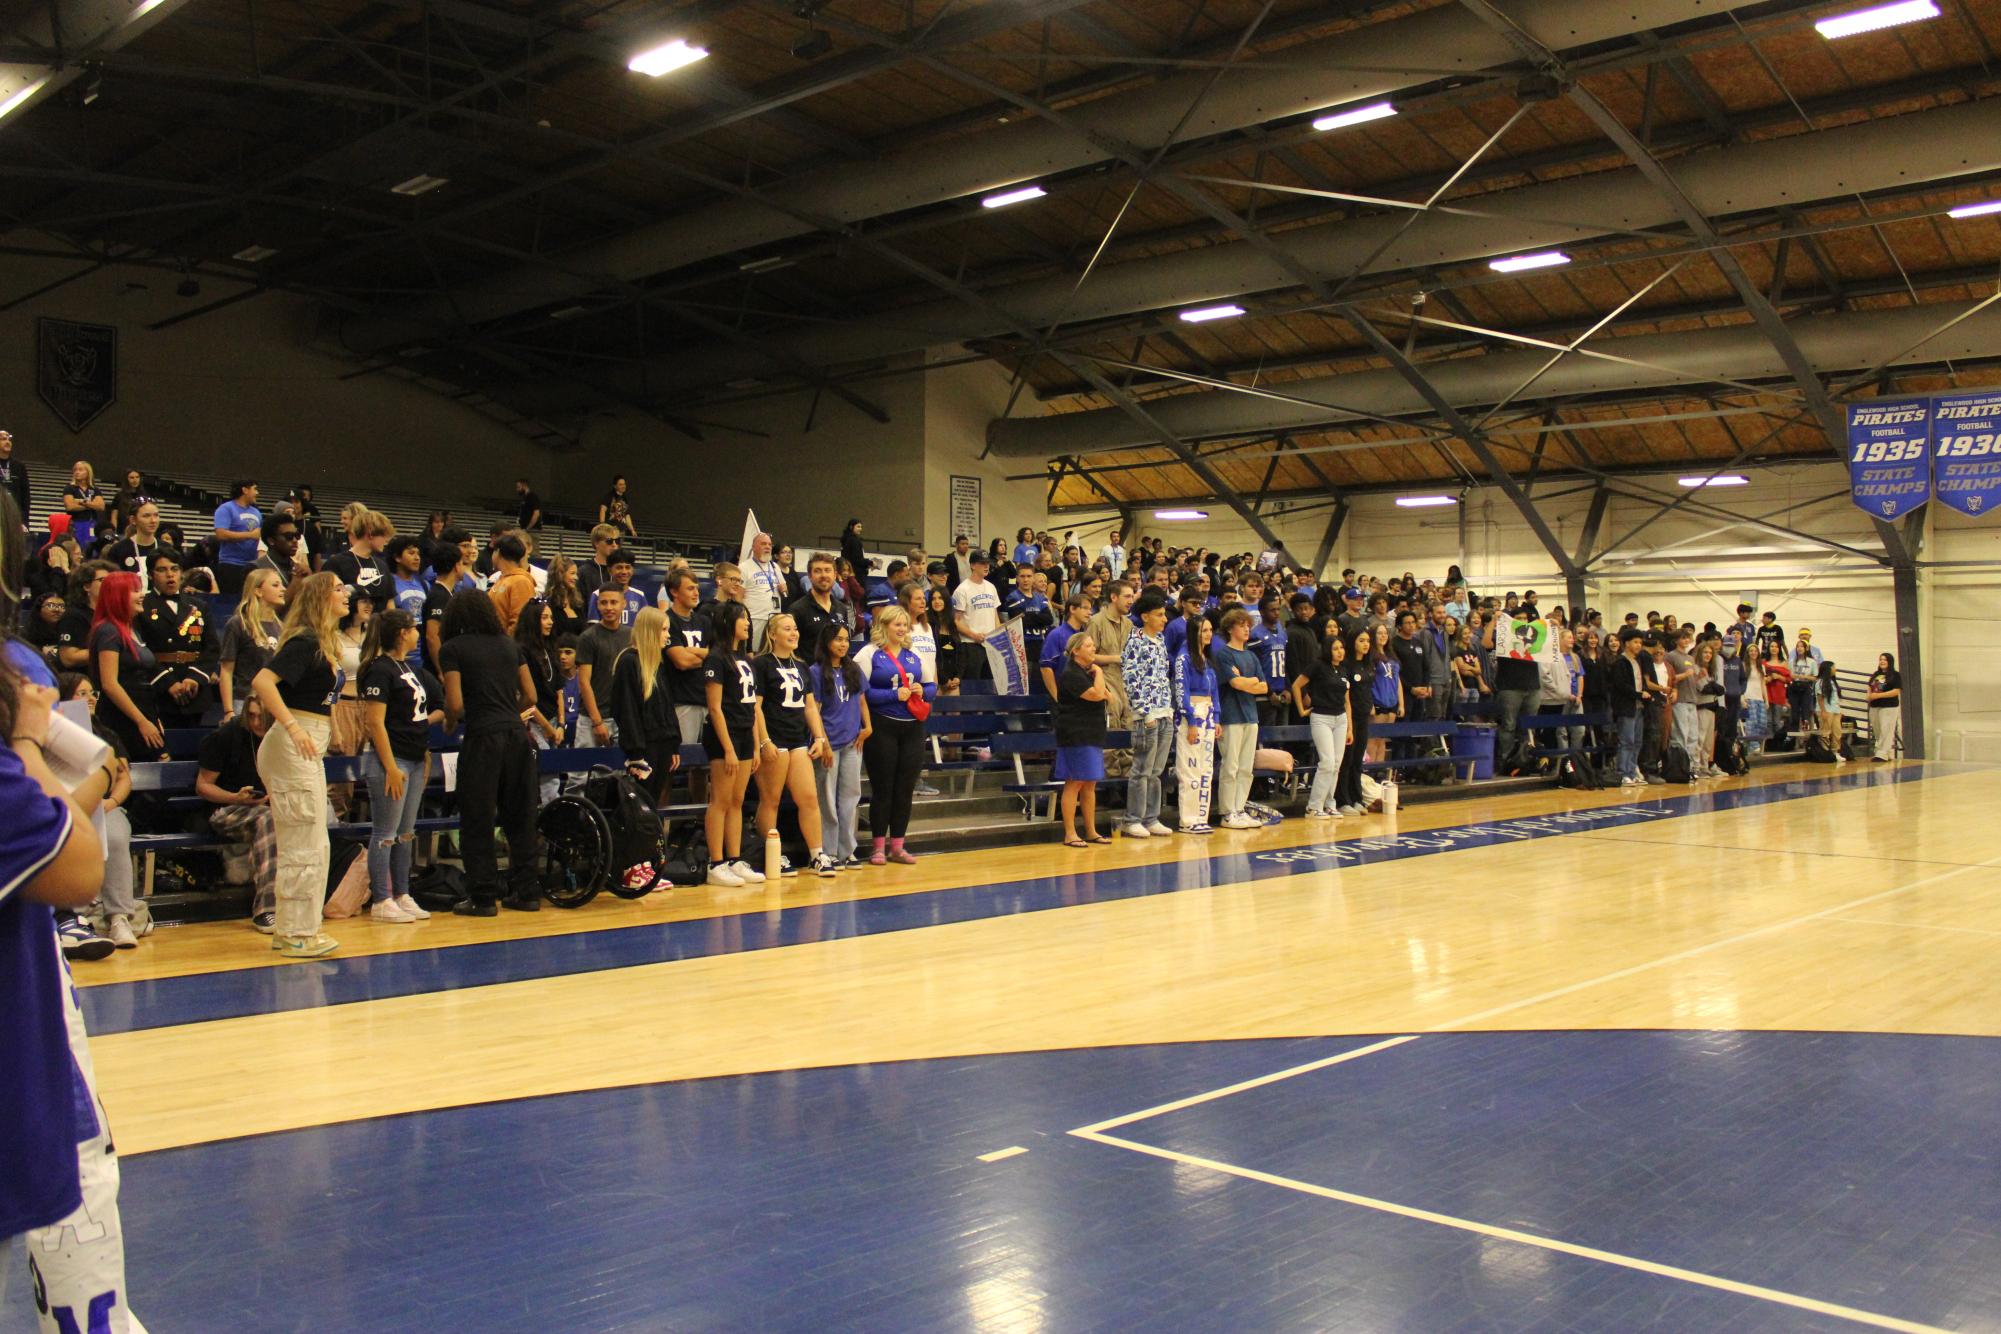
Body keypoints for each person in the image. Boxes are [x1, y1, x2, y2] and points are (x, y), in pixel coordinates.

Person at [249, 571, 347, 957]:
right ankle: (294, 931)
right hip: (293, 743)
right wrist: (292, 727)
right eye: (338, 588)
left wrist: (333, 731)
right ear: (321, 597)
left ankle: (302, 928)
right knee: (303, 842)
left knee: (314, 841)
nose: (346, 594)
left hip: (311, 741)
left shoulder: (326, 643)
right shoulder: (305, 641)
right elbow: (262, 681)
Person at [438, 588, 543, 914]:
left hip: (483, 737)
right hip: (516, 735)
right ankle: (527, 893)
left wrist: (452, 721)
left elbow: (454, 703)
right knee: (521, 817)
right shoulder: (510, 645)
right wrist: (507, 711)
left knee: (478, 818)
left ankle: (482, 898)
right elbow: (531, 695)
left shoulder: (452, 648)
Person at [357, 609, 438, 923]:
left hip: (415, 758)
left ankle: (402, 893)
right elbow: (375, 723)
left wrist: (425, 752)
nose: (418, 632)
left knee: (406, 832)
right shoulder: (380, 669)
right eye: (414, 628)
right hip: (392, 760)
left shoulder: (406, 667)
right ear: (403, 632)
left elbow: (416, 715)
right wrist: (390, 766)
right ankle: (381, 898)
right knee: (385, 832)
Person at [53, 673, 142, 948]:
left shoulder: (107, 734)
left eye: (93, 693)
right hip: (65, 806)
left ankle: (119, 918)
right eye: (82, 693)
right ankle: (71, 917)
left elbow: (124, 777)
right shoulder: (51, 733)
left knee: (115, 838)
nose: (91, 698)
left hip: (104, 806)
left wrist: (112, 802)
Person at [753, 613, 836, 878]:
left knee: (809, 798)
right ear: (773, 634)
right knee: (771, 800)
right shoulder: (762, 664)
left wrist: (820, 738)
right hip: (774, 739)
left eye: (796, 628)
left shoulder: (801, 667)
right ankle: (772, 854)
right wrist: (764, 740)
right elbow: (755, 707)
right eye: (787, 629)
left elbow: (810, 706)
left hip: (798, 739)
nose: (794, 633)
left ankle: (816, 855)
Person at [606, 607, 683, 892]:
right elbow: (626, 711)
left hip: (662, 744)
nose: (668, 636)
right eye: (664, 630)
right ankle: (630, 866)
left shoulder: (656, 664)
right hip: (644, 748)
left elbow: (666, 707)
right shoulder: (629, 662)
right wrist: (636, 753)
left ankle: (645, 864)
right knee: (637, 811)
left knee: (650, 809)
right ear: (651, 631)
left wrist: (674, 742)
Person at [862, 606, 936, 865]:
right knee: (883, 788)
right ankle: (878, 847)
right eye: (897, 624)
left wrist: (922, 690)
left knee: (905, 789)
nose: (902, 629)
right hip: (882, 727)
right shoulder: (869, 653)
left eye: (905, 624)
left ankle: (898, 846)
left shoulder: (914, 654)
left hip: (912, 728)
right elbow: (861, 693)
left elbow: (931, 686)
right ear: (884, 626)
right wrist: (893, 695)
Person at [700, 602, 763, 887]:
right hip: (723, 736)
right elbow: (715, 708)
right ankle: (716, 863)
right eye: (742, 619)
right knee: (721, 801)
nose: (748, 624)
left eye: (748, 619)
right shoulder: (716, 658)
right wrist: (727, 748)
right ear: (728, 622)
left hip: (743, 733)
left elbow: (750, 706)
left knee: (738, 801)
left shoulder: (746, 659)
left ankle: (735, 859)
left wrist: (755, 744)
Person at [88, 572, 167, 763]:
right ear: (118, 596)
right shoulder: (109, 630)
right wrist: (141, 721)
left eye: (140, 589)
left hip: (142, 712)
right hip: (121, 719)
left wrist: (151, 717)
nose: (142, 595)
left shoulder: (132, 630)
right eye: (135, 591)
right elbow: (110, 684)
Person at [812, 623, 870, 868]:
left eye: (846, 639)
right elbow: (814, 710)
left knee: (849, 798)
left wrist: (868, 727)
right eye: (838, 639)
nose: (844, 644)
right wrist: (822, 742)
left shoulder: (853, 669)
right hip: (829, 743)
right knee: (827, 799)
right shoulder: (816, 672)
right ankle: (828, 851)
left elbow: (862, 701)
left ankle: (847, 851)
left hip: (852, 742)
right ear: (826, 642)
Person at [1052, 632, 1111, 847]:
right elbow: (1097, 694)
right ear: (1076, 650)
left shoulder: (1086, 673)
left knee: (1089, 784)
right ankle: (1070, 833)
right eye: (1088, 646)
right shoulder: (1071, 673)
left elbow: (1108, 696)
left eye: (1093, 645)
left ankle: (1091, 831)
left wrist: (1097, 676)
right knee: (1074, 782)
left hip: (1092, 732)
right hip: (1076, 734)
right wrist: (1099, 671)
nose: (1093, 649)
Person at [1210, 608, 1267, 830]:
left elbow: (1263, 686)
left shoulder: (1251, 656)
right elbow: (1234, 684)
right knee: (1230, 765)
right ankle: (1227, 812)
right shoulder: (1224, 654)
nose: (1246, 628)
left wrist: (1246, 680)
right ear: (1230, 628)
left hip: (1251, 716)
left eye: (1247, 625)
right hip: (1231, 716)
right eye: (1241, 625)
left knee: (1246, 767)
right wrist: (1248, 682)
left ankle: (1240, 808)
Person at [1171, 611, 1218, 834]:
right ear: (1194, 633)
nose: (1209, 634)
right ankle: (1188, 819)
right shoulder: (1184, 659)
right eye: (1204, 630)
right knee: (1189, 770)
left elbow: (1214, 691)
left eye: (1210, 630)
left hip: (1208, 715)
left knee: (1205, 770)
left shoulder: (1207, 661)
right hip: (1192, 716)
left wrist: (1216, 717)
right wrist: (1190, 720)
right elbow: (1181, 691)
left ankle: (1201, 816)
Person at [1294, 632, 1350, 819]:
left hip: (1340, 719)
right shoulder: (1317, 666)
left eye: (1341, 648)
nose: (1340, 652)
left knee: (1336, 764)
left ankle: (1329, 804)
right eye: (1335, 648)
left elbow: (1346, 701)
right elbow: (1296, 685)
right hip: (1321, 717)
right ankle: (1313, 807)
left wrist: (1350, 727)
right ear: (1327, 650)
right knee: (1326, 762)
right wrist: (1302, 709)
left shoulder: (1342, 670)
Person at [516, 600, 566, 801]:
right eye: (544, 618)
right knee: (548, 777)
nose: (550, 622)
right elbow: (525, 697)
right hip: (533, 722)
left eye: (551, 617)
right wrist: (547, 727)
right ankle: (547, 820)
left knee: (553, 774)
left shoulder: (550, 647)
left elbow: (559, 690)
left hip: (554, 721)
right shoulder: (521, 651)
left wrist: (560, 724)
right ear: (532, 620)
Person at [577, 584, 632, 749]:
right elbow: (584, 683)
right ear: (597, 605)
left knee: (623, 773)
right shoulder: (588, 637)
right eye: (604, 603)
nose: (608, 607)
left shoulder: (632, 635)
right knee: (582, 773)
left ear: (624, 604)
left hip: (623, 718)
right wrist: (597, 721)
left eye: (614, 602)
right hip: (592, 719)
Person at [1332, 629, 1375, 816]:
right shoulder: (1347, 665)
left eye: (1367, 640)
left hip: (1364, 717)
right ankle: (1342, 800)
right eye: (1361, 640)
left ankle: (1357, 798)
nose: (1365, 644)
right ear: (1353, 642)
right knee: (1347, 760)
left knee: (1358, 759)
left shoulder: (1367, 664)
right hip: (1349, 718)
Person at [950, 549, 1001, 681]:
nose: (986, 566)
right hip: (971, 644)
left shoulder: (991, 587)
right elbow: (956, 621)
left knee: (991, 683)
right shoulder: (962, 590)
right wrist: (974, 635)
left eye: (988, 563)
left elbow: (994, 615)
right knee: (972, 684)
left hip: (990, 644)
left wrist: (998, 637)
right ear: (973, 565)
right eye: (982, 563)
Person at [323, 508, 393, 601]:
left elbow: (389, 602)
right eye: (383, 536)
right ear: (371, 533)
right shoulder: (335, 563)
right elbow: (324, 600)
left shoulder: (382, 565)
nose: (386, 541)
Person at [211, 478, 263, 597]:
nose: (257, 493)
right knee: (230, 601)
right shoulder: (226, 508)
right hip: (231, 564)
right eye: (255, 489)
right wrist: (250, 535)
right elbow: (221, 534)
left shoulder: (256, 512)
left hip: (252, 565)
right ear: (245, 490)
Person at [786, 552, 844, 648]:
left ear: (835, 575)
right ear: (809, 576)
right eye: (817, 571)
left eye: (827, 570)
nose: (823, 575)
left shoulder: (841, 609)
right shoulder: (797, 610)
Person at [102, 499, 171, 578]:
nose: (153, 520)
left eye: (156, 515)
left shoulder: (166, 548)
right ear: (133, 520)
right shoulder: (118, 550)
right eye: (146, 516)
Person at [485, 532, 534, 634]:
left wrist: (506, 646)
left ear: (498, 552)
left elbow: (519, 623)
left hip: (506, 646)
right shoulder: (500, 579)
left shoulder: (521, 581)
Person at [61, 460, 107, 551]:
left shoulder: (94, 489)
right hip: (76, 523)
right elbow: (70, 506)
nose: (77, 472)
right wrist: (91, 504)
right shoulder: (69, 488)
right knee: (77, 547)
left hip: (91, 523)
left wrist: (81, 502)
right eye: (75, 470)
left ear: (88, 472)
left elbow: (101, 506)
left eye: (80, 470)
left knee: (91, 547)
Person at [1867, 653, 1902, 761]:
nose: (1882, 661)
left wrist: (1879, 695)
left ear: (1890, 662)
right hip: (1875, 705)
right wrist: (1869, 696)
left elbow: (1896, 691)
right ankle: (1887, 751)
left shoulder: (1895, 675)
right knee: (1878, 730)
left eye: (1885, 660)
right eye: (1881, 659)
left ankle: (1881, 753)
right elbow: (1870, 686)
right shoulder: (1875, 674)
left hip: (1889, 706)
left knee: (1886, 729)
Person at [544, 555, 586, 639]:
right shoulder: (549, 604)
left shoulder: (577, 604)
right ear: (560, 574)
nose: (576, 578)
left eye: (576, 574)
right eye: (572, 573)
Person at [839, 519, 867, 584]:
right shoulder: (854, 540)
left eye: (861, 527)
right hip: (855, 574)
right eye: (858, 526)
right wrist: (870, 562)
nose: (860, 529)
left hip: (849, 572)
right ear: (851, 527)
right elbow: (857, 559)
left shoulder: (846, 539)